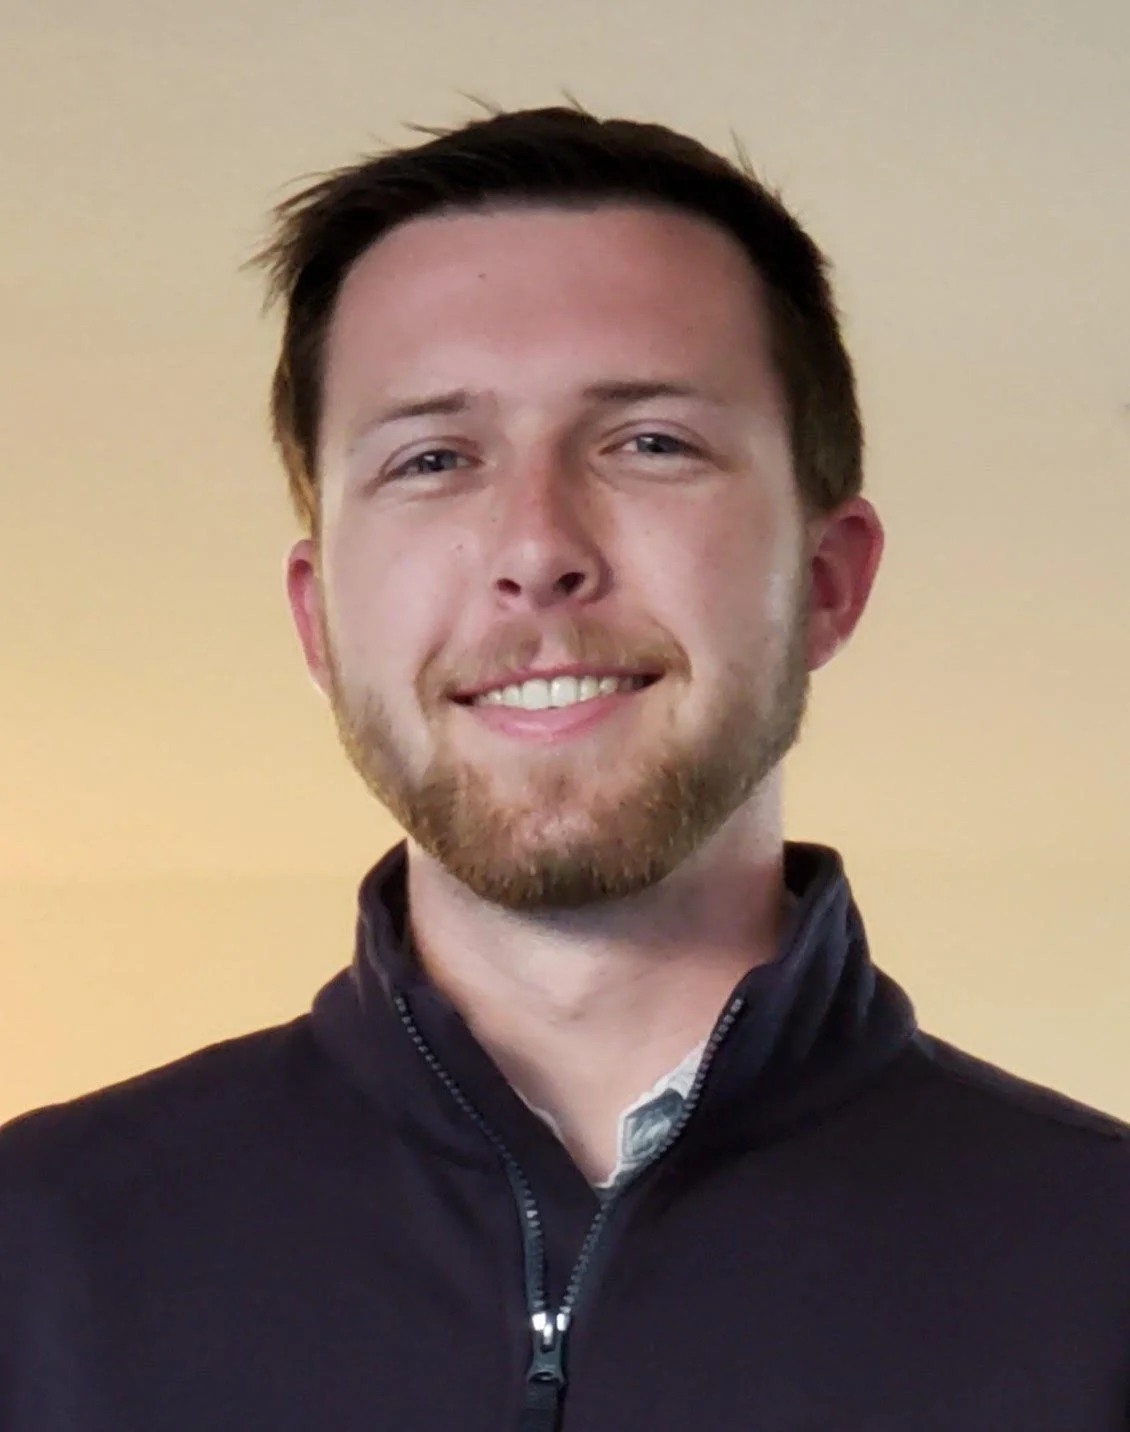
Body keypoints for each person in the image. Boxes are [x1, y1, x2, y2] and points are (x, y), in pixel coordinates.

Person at [1, 100, 1128, 1432]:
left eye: (649, 444)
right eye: (432, 458)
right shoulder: (36, 1256)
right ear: (319, 621)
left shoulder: (1100, 1271)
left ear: (825, 580)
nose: (536, 548)